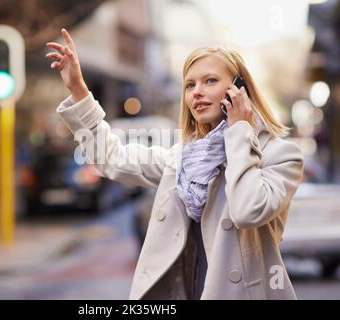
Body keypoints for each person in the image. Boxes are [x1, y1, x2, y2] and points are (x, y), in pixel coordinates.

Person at [45, 29, 304, 300]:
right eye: (190, 85)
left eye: (210, 81)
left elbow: (247, 211)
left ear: (238, 89)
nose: (197, 93)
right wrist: (78, 90)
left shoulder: (280, 156)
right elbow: (111, 158)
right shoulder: (182, 159)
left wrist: (239, 131)